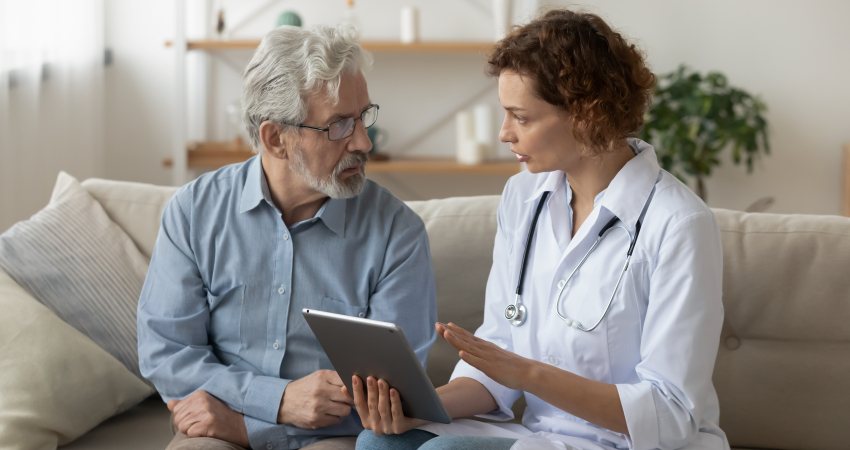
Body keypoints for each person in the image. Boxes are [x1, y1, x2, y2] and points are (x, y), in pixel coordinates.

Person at [353, 9, 728, 450]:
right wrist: (420, 406)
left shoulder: (679, 224)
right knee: (378, 443)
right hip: (542, 438)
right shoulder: (523, 198)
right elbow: (496, 361)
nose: (504, 133)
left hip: (629, 444)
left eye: (521, 118)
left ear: (587, 114)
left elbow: (671, 413)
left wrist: (528, 374)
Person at [137, 25, 437, 450]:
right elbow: (167, 354)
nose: (364, 142)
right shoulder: (194, 212)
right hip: (215, 428)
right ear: (275, 138)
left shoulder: (397, 233)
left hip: (331, 438)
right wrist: (276, 400)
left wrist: (248, 428)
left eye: (364, 117)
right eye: (338, 126)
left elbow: (394, 396)